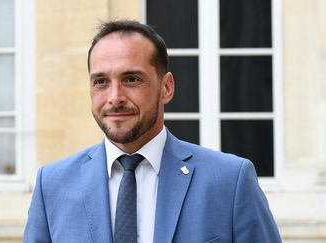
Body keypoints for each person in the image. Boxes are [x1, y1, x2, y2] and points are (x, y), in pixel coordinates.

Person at [24, 20, 281, 243]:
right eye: (101, 82)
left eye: (131, 79)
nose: (115, 97)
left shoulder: (231, 181)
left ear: (166, 87)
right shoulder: (52, 186)